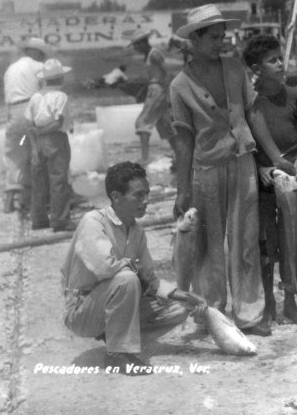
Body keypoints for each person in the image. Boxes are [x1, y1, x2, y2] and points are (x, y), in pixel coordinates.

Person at [169, 4, 295, 337]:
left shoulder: (235, 68)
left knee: (246, 240)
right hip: (206, 168)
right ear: (194, 38)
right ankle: (210, 313)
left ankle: (249, 314)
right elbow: (182, 141)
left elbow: (253, 115)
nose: (220, 42)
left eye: (222, 36)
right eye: (213, 36)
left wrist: (275, 156)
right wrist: (182, 189)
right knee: (209, 245)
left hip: (242, 162)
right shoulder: (180, 85)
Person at [61, 161, 207, 376]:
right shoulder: (93, 221)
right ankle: (116, 354)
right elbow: (106, 268)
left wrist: (183, 294)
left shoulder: (137, 231)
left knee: (180, 307)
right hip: (82, 311)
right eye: (138, 195)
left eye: (147, 194)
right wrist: (140, 276)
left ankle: (118, 339)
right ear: (116, 197)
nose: (146, 201)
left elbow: (151, 278)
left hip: (112, 301)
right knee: (127, 278)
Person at [243, 34, 297, 325]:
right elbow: (246, 145)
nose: (281, 63)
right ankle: (269, 302)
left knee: (292, 240)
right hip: (264, 185)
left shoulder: (295, 95)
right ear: (257, 69)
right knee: (266, 245)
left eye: (280, 57)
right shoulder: (251, 103)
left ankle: (291, 301)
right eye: (273, 60)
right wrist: (260, 168)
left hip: (292, 180)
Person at [24, 59, 76, 232]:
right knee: (58, 180)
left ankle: (38, 220)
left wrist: (33, 147)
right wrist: (42, 133)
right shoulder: (61, 97)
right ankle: (60, 220)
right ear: (60, 78)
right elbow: (57, 122)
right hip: (55, 140)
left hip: (36, 142)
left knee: (39, 182)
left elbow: (29, 125)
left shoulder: (35, 97)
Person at [3, 37, 49, 214]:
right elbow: (46, 94)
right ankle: (36, 201)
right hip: (32, 108)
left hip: (14, 112)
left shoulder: (11, 69)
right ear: (37, 52)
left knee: (15, 155)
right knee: (38, 153)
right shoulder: (39, 67)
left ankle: (9, 200)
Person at [123, 29, 179, 165]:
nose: (135, 48)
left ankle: (144, 158)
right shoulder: (148, 54)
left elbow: (167, 72)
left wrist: (169, 94)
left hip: (158, 90)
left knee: (142, 122)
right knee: (164, 124)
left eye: (136, 45)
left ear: (143, 43)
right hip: (155, 89)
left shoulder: (154, 54)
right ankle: (180, 155)